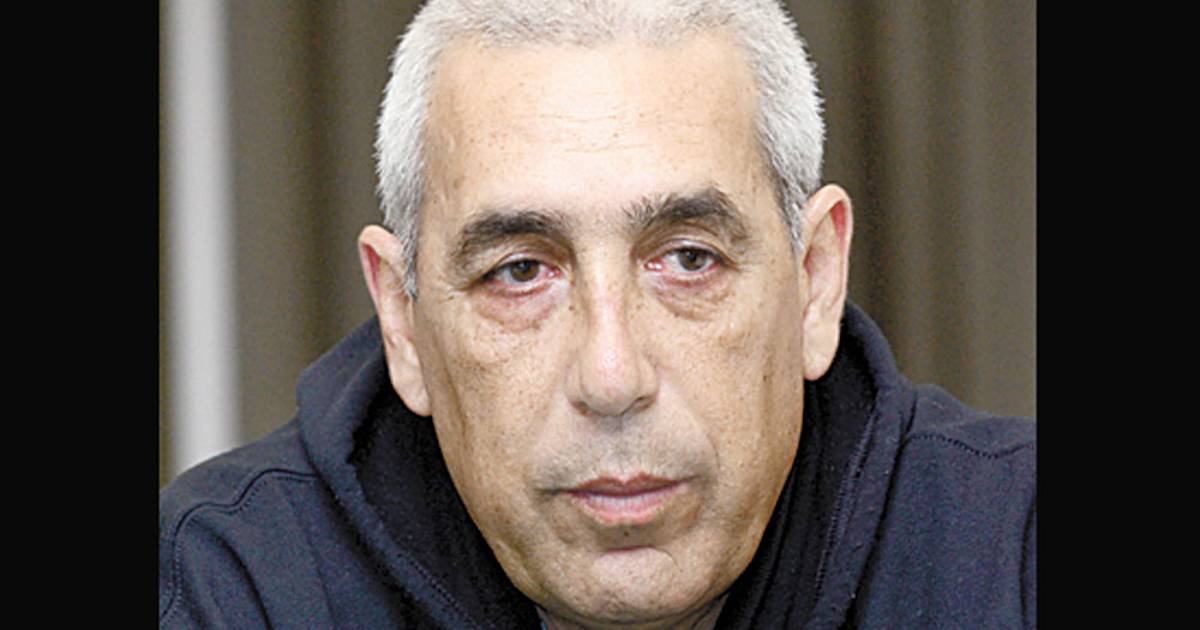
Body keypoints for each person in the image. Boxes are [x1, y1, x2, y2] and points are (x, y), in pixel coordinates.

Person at [159, 1, 1036, 628]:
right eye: (520, 273)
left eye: (689, 260)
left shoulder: (1017, 558)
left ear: (815, 282)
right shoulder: (222, 587)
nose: (612, 377)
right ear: (402, 319)